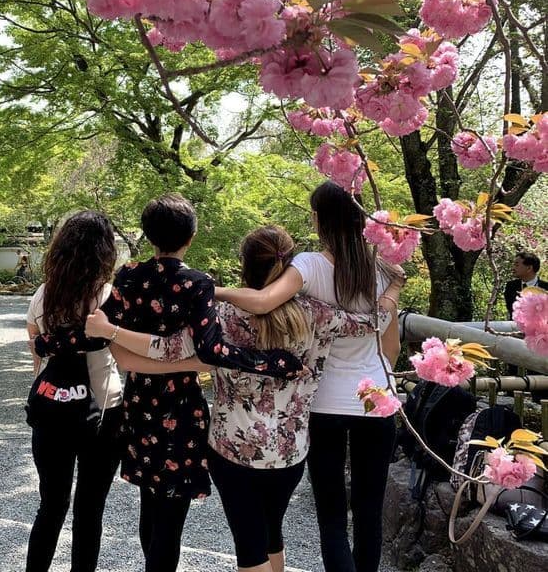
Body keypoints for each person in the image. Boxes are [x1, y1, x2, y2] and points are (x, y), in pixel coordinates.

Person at [83, 224, 401, 572]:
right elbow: (375, 319)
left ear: (244, 264)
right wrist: (395, 285)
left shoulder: (221, 317)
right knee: (272, 536)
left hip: (232, 449)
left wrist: (110, 332)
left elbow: (166, 349)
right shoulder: (316, 314)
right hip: (289, 451)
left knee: (250, 551)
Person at [34, 194, 305, 572]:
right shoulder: (198, 284)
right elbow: (212, 351)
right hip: (180, 407)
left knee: (150, 502)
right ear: (191, 237)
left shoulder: (128, 276)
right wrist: (271, 362)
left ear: (147, 236)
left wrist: (48, 343)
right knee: (170, 514)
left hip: (139, 405)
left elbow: (98, 334)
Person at [216, 182, 404, 572]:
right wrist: (394, 292)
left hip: (327, 402)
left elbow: (267, 300)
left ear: (319, 219)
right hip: (377, 399)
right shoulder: (384, 269)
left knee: (332, 518)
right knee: (369, 513)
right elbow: (391, 351)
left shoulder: (309, 264)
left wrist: (211, 289)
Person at [23, 211, 123, 572]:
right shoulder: (110, 298)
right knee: (89, 512)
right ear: (104, 251)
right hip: (104, 411)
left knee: (50, 506)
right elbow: (125, 357)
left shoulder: (42, 295)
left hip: (51, 410)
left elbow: (36, 354)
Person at [504, 252, 547, 319]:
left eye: (517, 265)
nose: (513, 268)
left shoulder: (546, 287)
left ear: (529, 268)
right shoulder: (511, 286)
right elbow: (511, 309)